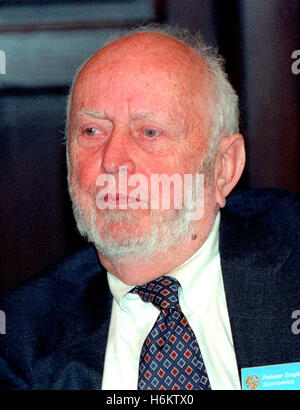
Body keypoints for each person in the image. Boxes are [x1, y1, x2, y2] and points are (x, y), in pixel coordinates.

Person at [0, 25, 299, 391]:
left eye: (149, 132)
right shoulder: (20, 337)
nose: (113, 160)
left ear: (223, 167)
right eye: (92, 131)